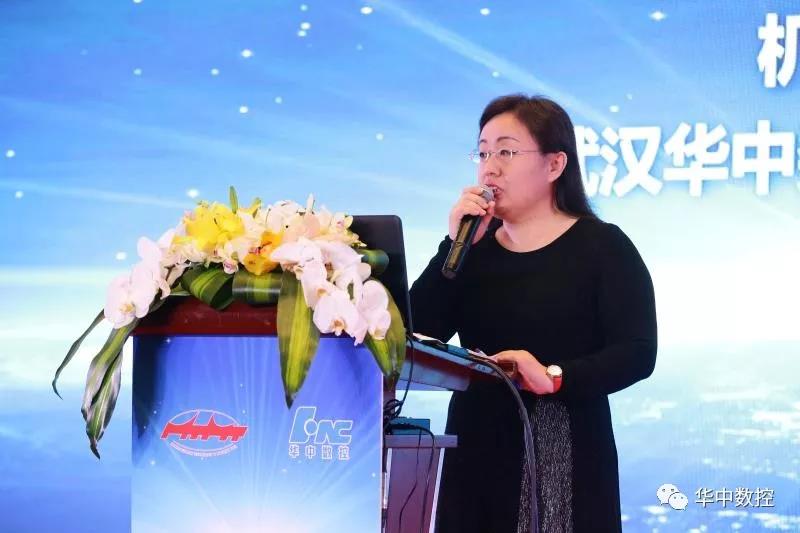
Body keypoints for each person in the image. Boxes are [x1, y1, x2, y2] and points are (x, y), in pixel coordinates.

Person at [409, 94, 657, 533]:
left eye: (506, 152)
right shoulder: (472, 250)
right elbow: (417, 332)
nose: (489, 168)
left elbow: (637, 352)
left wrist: (554, 376)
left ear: (555, 165)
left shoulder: (603, 247)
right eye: (483, 153)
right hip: (475, 445)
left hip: (563, 447)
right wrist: (453, 246)